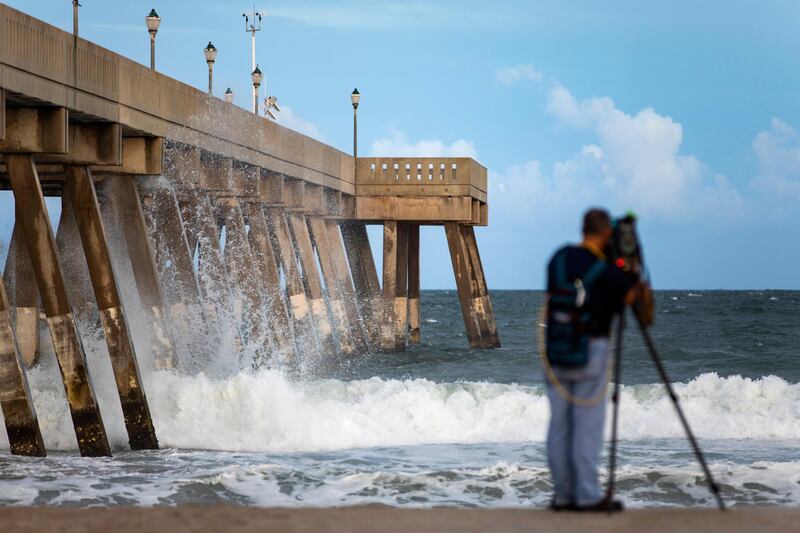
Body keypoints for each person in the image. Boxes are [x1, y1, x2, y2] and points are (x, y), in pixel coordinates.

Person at [543, 208, 639, 512]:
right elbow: (630, 299)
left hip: (556, 351)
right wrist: (631, 267)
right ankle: (586, 496)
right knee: (587, 427)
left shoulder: (558, 258)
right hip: (590, 351)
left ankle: (563, 496)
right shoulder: (606, 269)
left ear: (583, 228)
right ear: (606, 234)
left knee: (559, 427)